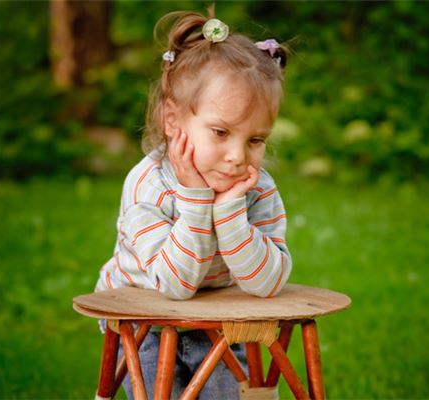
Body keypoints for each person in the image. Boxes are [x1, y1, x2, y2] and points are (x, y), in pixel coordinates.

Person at [94, 6, 292, 398]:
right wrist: (198, 199)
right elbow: (176, 284)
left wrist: (232, 213)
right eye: (221, 132)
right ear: (173, 120)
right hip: (144, 318)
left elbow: (268, 284)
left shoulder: (256, 189)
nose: (238, 156)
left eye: (255, 140)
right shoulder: (149, 185)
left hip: (219, 317)